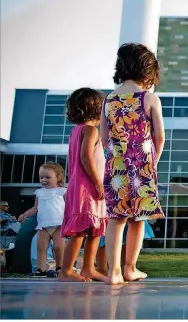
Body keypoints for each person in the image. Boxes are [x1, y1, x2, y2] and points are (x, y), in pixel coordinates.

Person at [100, 43, 166, 285]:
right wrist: (152, 162)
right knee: (138, 218)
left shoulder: (109, 99)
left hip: (115, 166)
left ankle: (113, 272)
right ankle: (130, 268)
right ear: (148, 71)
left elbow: (104, 137)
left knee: (116, 218)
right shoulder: (149, 98)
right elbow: (159, 137)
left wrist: (114, 156)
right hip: (142, 166)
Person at [57, 88, 108, 282]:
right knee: (80, 229)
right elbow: (86, 157)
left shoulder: (76, 131)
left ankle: (88, 268)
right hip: (86, 187)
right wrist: (98, 182)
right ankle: (66, 271)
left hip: (82, 186)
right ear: (96, 108)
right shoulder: (90, 130)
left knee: (95, 227)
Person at [18, 162, 67, 277]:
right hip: (43, 226)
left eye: (48, 177)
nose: (44, 180)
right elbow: (36, 208)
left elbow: (69, 206)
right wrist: (25, 214)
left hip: (58, 225)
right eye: (41, 177)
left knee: (58, 247)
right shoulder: (39, 192)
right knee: (41, 248)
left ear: (58, 177)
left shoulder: (62, 191)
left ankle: (60, 268)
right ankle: (41, 269)